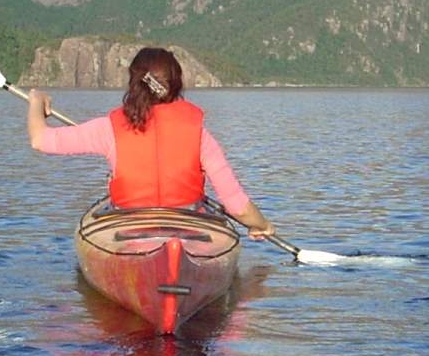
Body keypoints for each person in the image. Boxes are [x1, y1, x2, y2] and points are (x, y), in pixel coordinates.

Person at [28, 47, 274, 239]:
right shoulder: (199, 134)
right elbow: (238, 207)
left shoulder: (108, 129)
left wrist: (36, 101)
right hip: (187, 225)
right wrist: (261, 225)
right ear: (175, 84)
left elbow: (40, 140)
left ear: (134, 83)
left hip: (128, 225)